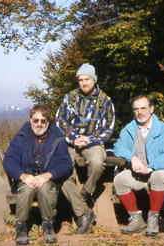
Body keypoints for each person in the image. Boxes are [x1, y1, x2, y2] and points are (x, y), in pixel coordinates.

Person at [55, 63, 115, 233]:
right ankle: (83, 212)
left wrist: (89, 140)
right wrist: (74, 138)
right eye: (80, 80)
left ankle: (85, 193)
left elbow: (108, 128)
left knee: (97, 161)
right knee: (62, 170)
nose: (83, 83)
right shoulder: (70, 98)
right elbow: (60, 121)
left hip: (93, 142)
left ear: (94, 80)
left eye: (87, 79)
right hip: (71, 143)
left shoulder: (105, 101)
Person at [3, 105, 72, 245]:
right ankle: (21, 226)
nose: (39, 124)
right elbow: (9, 160)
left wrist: (48, 175)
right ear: (30, 120)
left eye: (43, 121)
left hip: (47, 179)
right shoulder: (21, 137)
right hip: (26, 178)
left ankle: (48, 225)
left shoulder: (57, 138)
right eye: (36, 120)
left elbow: (65, 163)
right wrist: (22, 176)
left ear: (48, 122)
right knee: (26, 190)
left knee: (45, 188)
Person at [113, 95, 164, 236]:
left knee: (159, 176)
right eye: (136, 109)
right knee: (119, 180)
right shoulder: (129, 129)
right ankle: (136, 220)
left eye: (143, 108)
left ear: (151, 109)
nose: (140, 112)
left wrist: (150, 167)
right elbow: (118, 147)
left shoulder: (163, 129)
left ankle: (153, 220)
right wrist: (132, 157)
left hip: (158, 171)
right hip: (137, 174)